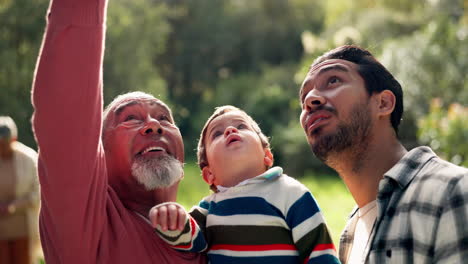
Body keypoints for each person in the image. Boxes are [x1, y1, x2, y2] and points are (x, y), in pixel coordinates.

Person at [31, 0, 206, 263]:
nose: (153, 124)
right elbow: (66, 111)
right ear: (99, 152)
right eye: (130, 118)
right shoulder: (87, 225)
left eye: (163, 117)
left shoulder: (211, 233)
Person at [299, 45, 468, 263]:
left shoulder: (453, 190)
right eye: (304, 96)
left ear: (383, 103)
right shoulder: (350, 234)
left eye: (333, 81)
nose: (310, 99)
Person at [149, 105, 340, 264]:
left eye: (241, 126)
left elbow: (320, 252)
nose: (230, 130)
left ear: (267, 155)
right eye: (217, 134)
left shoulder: (290, 193)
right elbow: (192, 241)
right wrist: (173, 220)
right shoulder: (210, 207)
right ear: (209, 174)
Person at [0, 116, 41, 264]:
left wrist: (13, 206)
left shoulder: (29, 159)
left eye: (5, 142)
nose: (2, 147)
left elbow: (36, 193)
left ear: (13, 139)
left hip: (22, 229)